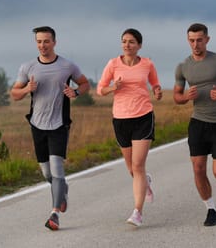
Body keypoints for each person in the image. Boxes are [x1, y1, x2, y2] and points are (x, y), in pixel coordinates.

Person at [11, 26, 90, 231]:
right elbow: (14, 93)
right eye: (39, 42)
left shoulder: (67, 66)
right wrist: (27, 88)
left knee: (57, 169)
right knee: (47, 173)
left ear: (54, 42)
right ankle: (62, 188)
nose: (42, 45)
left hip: (59, 125)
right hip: (37, 125)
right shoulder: (27, 67)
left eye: (46, 41)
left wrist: (75, 93)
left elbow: (84, 84)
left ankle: (54, 214)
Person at [173, 23, 216, 226]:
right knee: (198, 168)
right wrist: (186, 96)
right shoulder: (183, 66)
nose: (195, 44)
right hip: (198, 122)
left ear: (207, 39)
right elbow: (177, 96)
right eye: (192, 40)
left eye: (199, 40)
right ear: (188, 40)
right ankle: (211, 209)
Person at [97, 28, 162, 227]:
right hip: (121, 119)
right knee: (131, 168)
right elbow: (100, 89)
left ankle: (137, 212)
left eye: (131, 42)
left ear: (139, 45)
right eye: (124, 41)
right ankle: (145, 183)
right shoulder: (113, 64)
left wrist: (158, 91)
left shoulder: (147, 64)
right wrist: (112, 88)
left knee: (138, 165)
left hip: (143, 116)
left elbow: (155, 84)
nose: (127, 45)